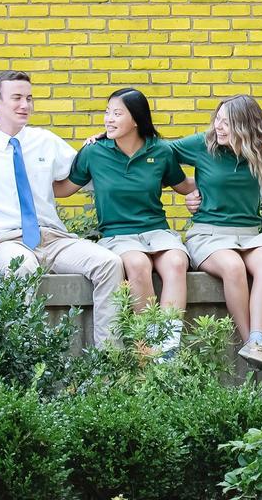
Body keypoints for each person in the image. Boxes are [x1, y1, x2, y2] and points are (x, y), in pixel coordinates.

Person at [0, 71, 125, 348]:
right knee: (20, 269)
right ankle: (24, 357)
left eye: (29, 98)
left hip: (55, 238)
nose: (25, 105)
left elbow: (89, 176)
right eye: (17, 98)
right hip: (8, 242)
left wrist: (102, 149)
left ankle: (109, 360)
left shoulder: (45, 141)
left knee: (109, 263)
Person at [54, 88, 197, 353]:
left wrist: (215, 183)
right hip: (118, 234)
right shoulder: (94, 152)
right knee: (137, 263)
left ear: (136, 119)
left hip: (157, 231)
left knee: (177, 263)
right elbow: (63, 189)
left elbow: (184, 186)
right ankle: (147, 349)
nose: (109, 118)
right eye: (107, 112)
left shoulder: (161, 152)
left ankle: (167, 350)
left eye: (117, 113)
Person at [172, 94, 262, 369]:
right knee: (233, 267)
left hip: (250, 234)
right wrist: (187, 187)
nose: (218, 128)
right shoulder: (203, 144)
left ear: (246, 125)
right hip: (209, 234)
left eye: (227, 123)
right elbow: (156, 153)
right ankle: (252, 346)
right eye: (218, 120)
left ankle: (258, 338)